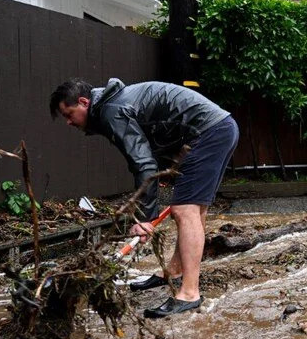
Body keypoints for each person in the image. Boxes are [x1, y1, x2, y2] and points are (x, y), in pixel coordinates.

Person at [50, 78, 238, 318]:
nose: (68, 122)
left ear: (84, 102)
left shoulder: (111, 111)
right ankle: (174, 271)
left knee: (184, 210)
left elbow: (142, 163)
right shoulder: (111, 105)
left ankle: (190, 292)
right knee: (193, 209)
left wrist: (144, 218)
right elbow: (150, 141)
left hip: (210, 132)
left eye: (69, 114)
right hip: (215, 129)